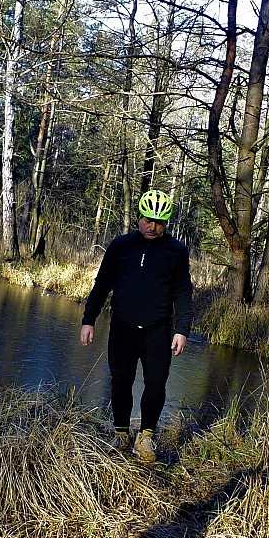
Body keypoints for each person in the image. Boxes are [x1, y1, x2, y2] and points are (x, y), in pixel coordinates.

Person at [79, 189, 193, 462]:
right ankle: (121, 434)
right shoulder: (121, 246)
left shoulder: (177, 251)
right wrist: (88, 320)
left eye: (159, 222)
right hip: (123, 327)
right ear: (139, 218)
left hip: (158, 330)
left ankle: (145, 438)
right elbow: (102, 285)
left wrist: (182, 330)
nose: (152, 227)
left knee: (156, 384)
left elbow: (183, 293)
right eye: (147, 220)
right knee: (121, 381)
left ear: (166, 223)